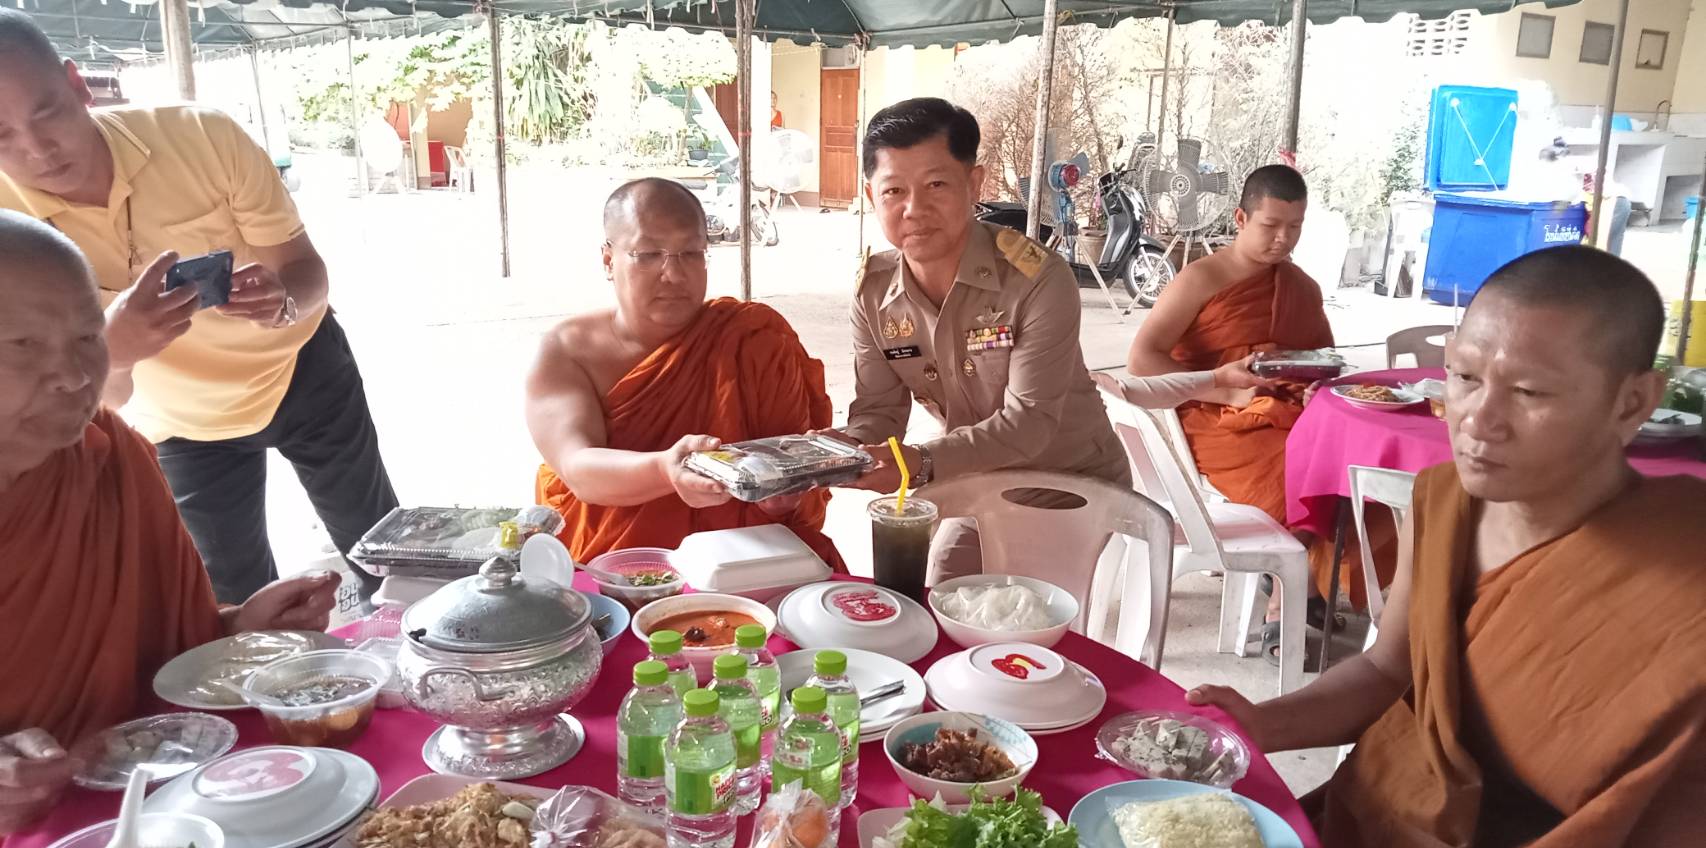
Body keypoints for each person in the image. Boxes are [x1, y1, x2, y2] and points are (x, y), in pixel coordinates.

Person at [1187, 245, 1706, 848]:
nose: (1477, 420)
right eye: (1463, 376)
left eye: (1529, 393)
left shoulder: (1689, 583)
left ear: (1634, 403)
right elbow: (1382, 671)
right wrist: (1260, 725)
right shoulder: (1444, 502)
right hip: (1378, 838)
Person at [0, 11, 397, 605]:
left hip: (305, 373)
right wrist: (114, 350)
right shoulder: (11, 234)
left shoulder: (203, 137)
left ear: (78, 84)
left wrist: (284, 301)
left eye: (48, 111)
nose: (38, 149)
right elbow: (97, 404)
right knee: (230, 600)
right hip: (181, 424)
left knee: (386, 554)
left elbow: (307, 271)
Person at [0, 211, 339, 836]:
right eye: (23, 346)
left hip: (162, 801)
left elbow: (160, 658)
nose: (76, 378)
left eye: (86, 338)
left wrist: (239, 629)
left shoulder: (107, 453)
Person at [831, 97, 1128, 580]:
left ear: (974, 183)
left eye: (936, 184)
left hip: (1069, 484)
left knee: (1013, 620)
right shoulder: (874, 291)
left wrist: (921, 461)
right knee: (935, 588)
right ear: (871, 197)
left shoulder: (1036, 279)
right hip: (976, 477)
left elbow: (1029, 423)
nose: (914, 209)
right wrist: (842, 455)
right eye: (893, 191)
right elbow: (879, 412)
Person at [1125, 163, 1388, 633]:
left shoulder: (1300, 288)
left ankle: (1310, 577)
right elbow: (1143, 359)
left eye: (1295, 227)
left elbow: (1321, 358)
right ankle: (1290, 592)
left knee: (1354, 461)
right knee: (1301, 470)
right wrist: (1223, 387)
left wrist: (1313, 384)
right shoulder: (1200, 279)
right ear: (1241, 219)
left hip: (1284, 410)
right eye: (1271, 225)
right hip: (1213, 418)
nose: (1283, 239)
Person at [529, 178, 841, 567]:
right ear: (609, 260)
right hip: (617, 569)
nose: (674, 274)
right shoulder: (567, 351)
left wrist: (781, 497)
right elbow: (579, 469)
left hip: (742, 567)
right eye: (648, 254)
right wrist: (665, 469)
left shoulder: (754, 341)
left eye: (691, 252)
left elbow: (791, 491)